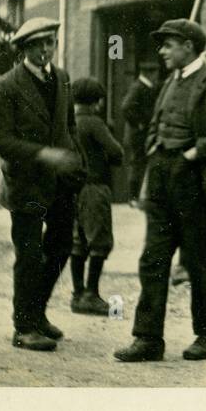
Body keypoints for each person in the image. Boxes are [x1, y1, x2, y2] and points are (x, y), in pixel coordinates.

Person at [115, 19, 206, 363]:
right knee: (153, 259)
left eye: (167, 45)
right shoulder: (169, 81)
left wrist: (193, 154)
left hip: (193, 182)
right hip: (161, 178)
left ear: (188, 46)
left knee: (198, 262)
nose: (161, 51)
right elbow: (155, 122)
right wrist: (154, 150)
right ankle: (147, 339)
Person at [0, 18, 84, 352]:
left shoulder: (61, 78)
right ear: (24, 49)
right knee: (29, 255)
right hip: (26, 184)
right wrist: (44, 155)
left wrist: (78, 161)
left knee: (60, 248)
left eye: (50, 43)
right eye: (38, 45)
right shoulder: (9, 86)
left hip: (60, 183)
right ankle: (24, 326)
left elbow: (70, 125)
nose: (46, 50)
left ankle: (38, 312)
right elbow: (2, 141)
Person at [70, 78, 123, 316]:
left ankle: (78, 293)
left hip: (74, 188)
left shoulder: (70, 122)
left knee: (78, 241)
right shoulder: (94, 123)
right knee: (100, 241)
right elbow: (116, 151)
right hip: (95, 186)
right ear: (97, 101)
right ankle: (91, 294)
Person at [120, 58, 159, 207]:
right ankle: (133, 197)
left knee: (139, 164)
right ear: (148, 73)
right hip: (137, 135)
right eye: (154, 72)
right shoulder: (139, 87)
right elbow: (126, 107)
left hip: (138, 134)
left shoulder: (145, 86)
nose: (156, 76)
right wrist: (139, 123)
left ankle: (136, 196)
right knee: (137, 164)